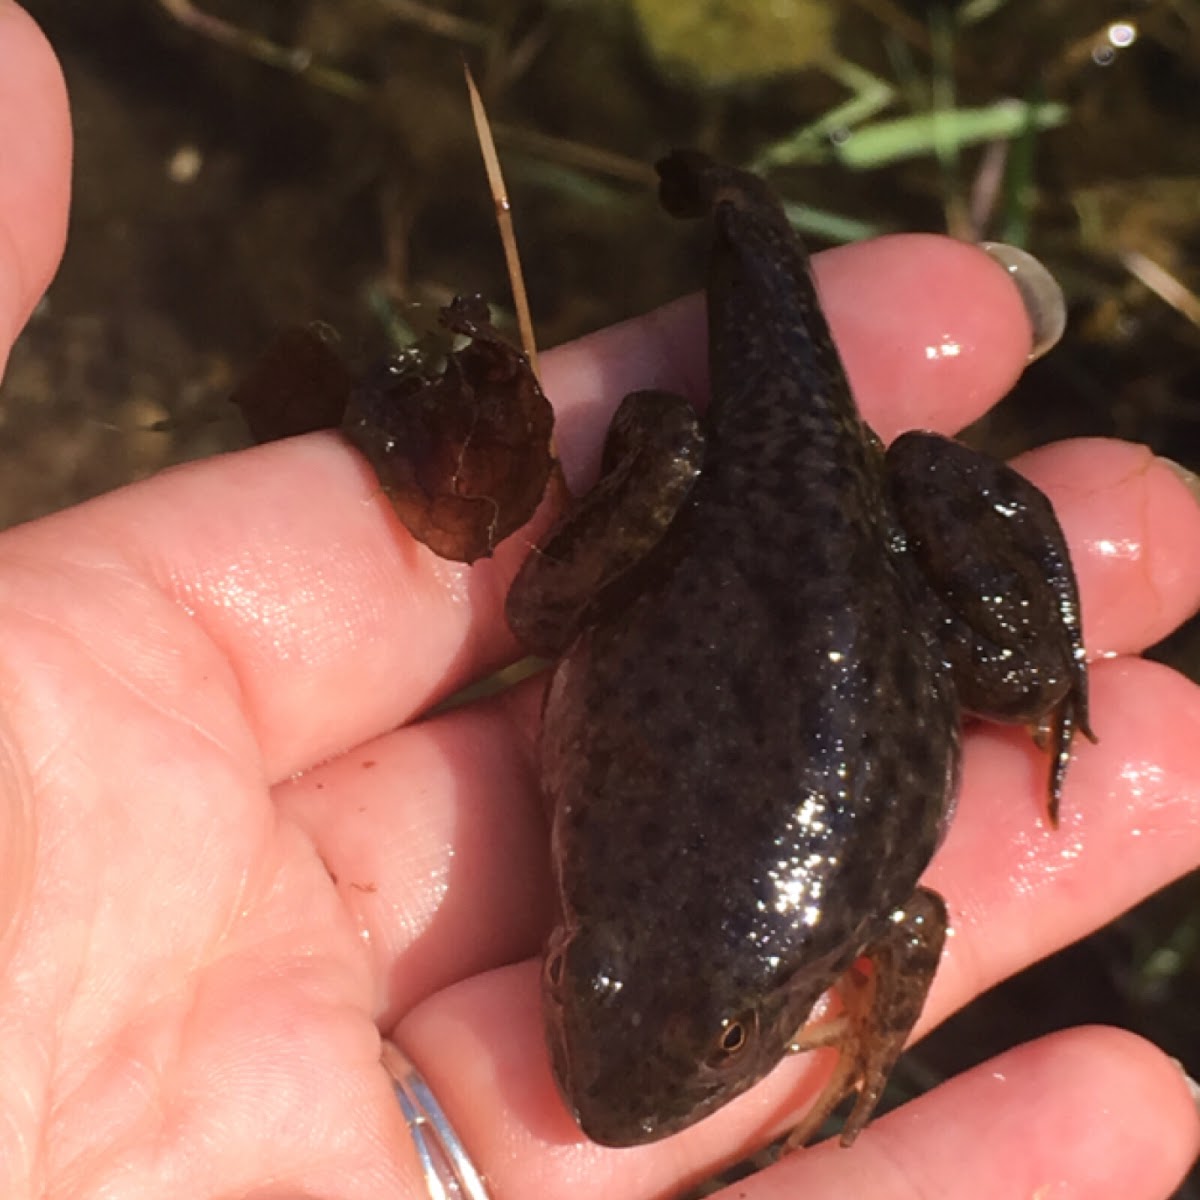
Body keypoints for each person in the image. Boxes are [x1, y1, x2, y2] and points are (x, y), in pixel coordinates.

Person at [2, 4, 1199, 1197]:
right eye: (599, 987)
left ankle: (715, 336)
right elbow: (918, 922)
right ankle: (723, 283)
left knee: (1004, 669)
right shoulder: (804, 922)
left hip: (823, 576)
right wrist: (872, 1039)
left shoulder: (809, 929)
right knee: (978, 666)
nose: (594, 1077)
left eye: (731, 1040)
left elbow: (914, 921)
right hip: (782, 574)